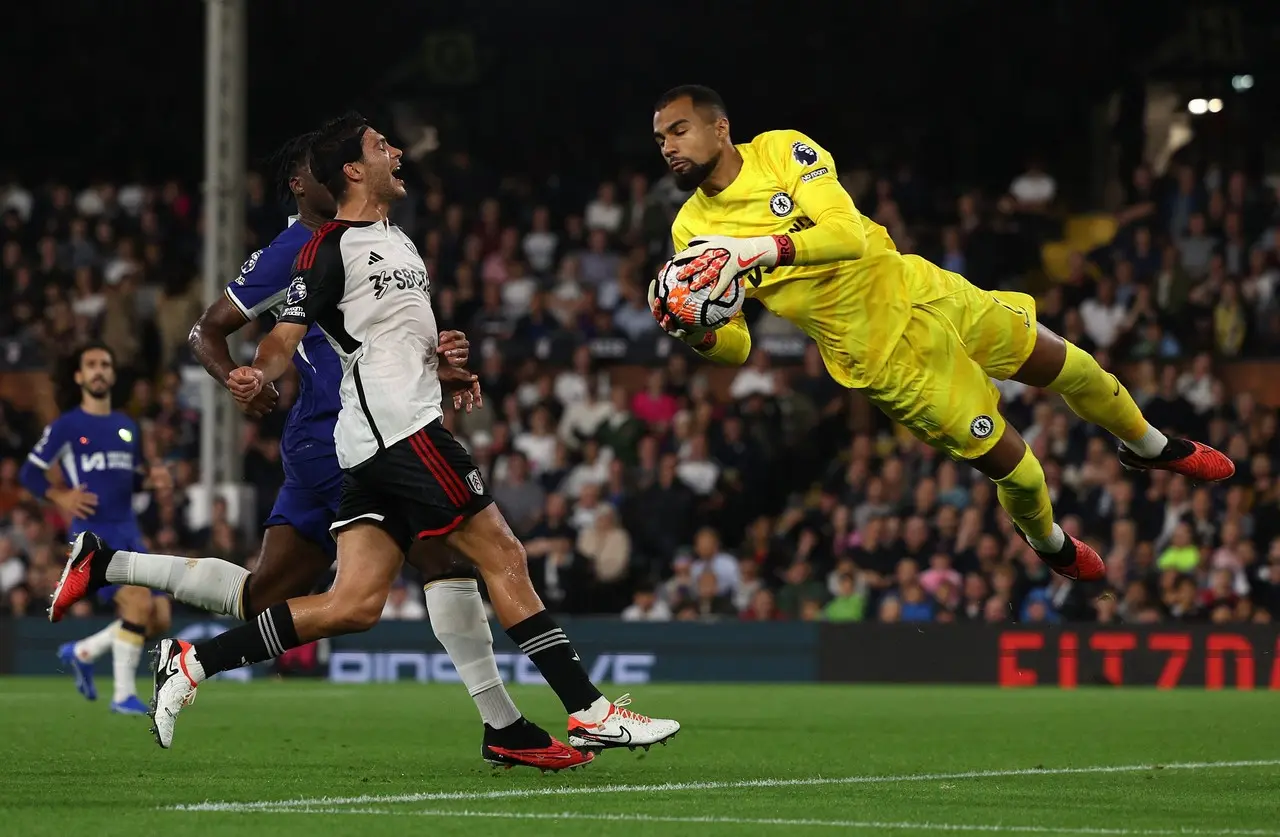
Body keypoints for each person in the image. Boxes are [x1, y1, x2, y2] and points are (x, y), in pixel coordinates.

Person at [72, 113, 678, 754]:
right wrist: (252, 375)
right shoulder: (327, 250)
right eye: (381, 146)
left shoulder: (397, 239)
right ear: (354, 171)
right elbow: (284, 336)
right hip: (399, 433)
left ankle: (193, 664)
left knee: (353, 603)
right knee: (501, 555)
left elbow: (383, 341)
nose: (397, 152)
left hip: (370, 439)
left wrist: (444, 367)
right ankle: (587, 708)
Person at [648, 85, 1235, 582]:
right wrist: (695, 331)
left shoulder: (782, 151)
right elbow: (739, 345)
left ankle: (1150, 447)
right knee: (1022, 470)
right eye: (661, 140)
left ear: (720, 128)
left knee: (1076, 367)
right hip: (883, 358)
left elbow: (847, 234)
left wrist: (753, 249)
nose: (669, 147)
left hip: (920, 288)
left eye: (679, 131)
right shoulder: (691, 229)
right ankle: (1051, 544)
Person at [20, 342, 171, 713]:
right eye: (91, 365)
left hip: (128, 531)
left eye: (105, 363)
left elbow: (129, 479)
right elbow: (29, 473)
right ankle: (122, 695)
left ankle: (84, 652)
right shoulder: (66, 426)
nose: (99, 370)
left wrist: (150, 482)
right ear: (79, 376)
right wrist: (60, 496)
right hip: (93, 535)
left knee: (160, 616)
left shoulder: (126, 426)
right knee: (137, 602)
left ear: (112, 373)